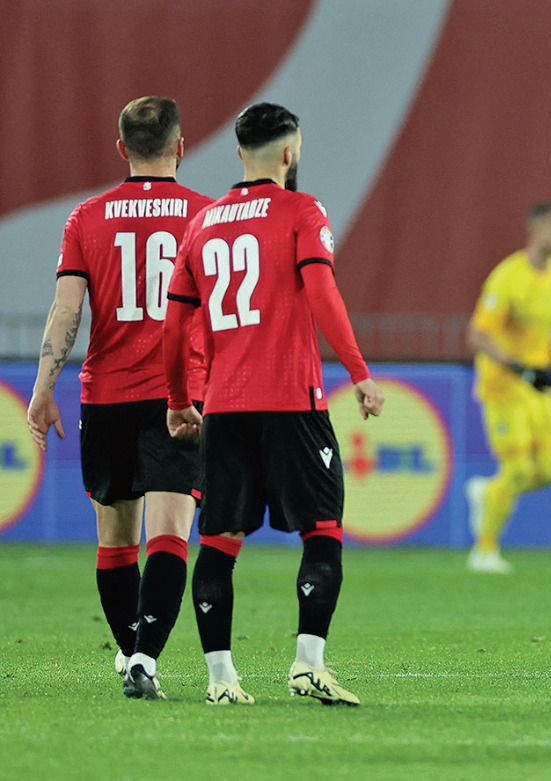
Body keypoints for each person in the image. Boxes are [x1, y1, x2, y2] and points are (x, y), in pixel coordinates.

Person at [162, 102, 384, 705]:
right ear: (290, 152)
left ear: (238, 152)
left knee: (219, 544)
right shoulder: (301, 211)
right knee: (323, 531)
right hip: (291, 402)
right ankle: (307, 663)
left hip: (226, 410)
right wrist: (359, 374)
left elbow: (174, 323)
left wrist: (181, 400)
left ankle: (220, 680)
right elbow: (321, 290)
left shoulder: (202, 223)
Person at [24, 96, 212, 700]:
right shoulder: (207, 216)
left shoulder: (86, 217)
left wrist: (43, 389)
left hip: (106, 397)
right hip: (178, 396)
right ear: (181, 147)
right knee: (170, 534)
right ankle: (146, 658)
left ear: (121, 148)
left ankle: (132, 652)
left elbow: (67, 309)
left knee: (115, 539)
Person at [463, 202, 551, 574]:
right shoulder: (507, 277)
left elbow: (545, 327)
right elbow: (478, 334)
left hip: (537, 383)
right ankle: (484, 549)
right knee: (519, 467)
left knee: (549, 470)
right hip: (503, 385)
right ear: (536, 228)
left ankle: (489, 493)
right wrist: (516, 366)